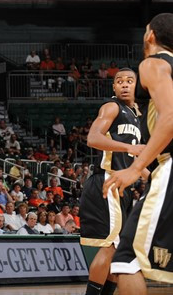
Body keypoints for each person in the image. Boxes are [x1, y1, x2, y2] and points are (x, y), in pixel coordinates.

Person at [102, 13, 173, 295]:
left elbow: (170, 118)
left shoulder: (153, 63)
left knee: (126, 258)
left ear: (150, 36)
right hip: (161, 167)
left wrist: (135, 168)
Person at [79, 68, 145, 295]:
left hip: (122, 187)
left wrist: (154, 178)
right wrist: (129, 147)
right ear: (114, 87)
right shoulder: (112, 107)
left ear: (137, 85)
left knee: (118, 253)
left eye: (129, 81)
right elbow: (93, 138)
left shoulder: (137, 115)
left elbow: (136, 159)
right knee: (110, 248)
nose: (125, 84)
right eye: (119, 81)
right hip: (107, 181)